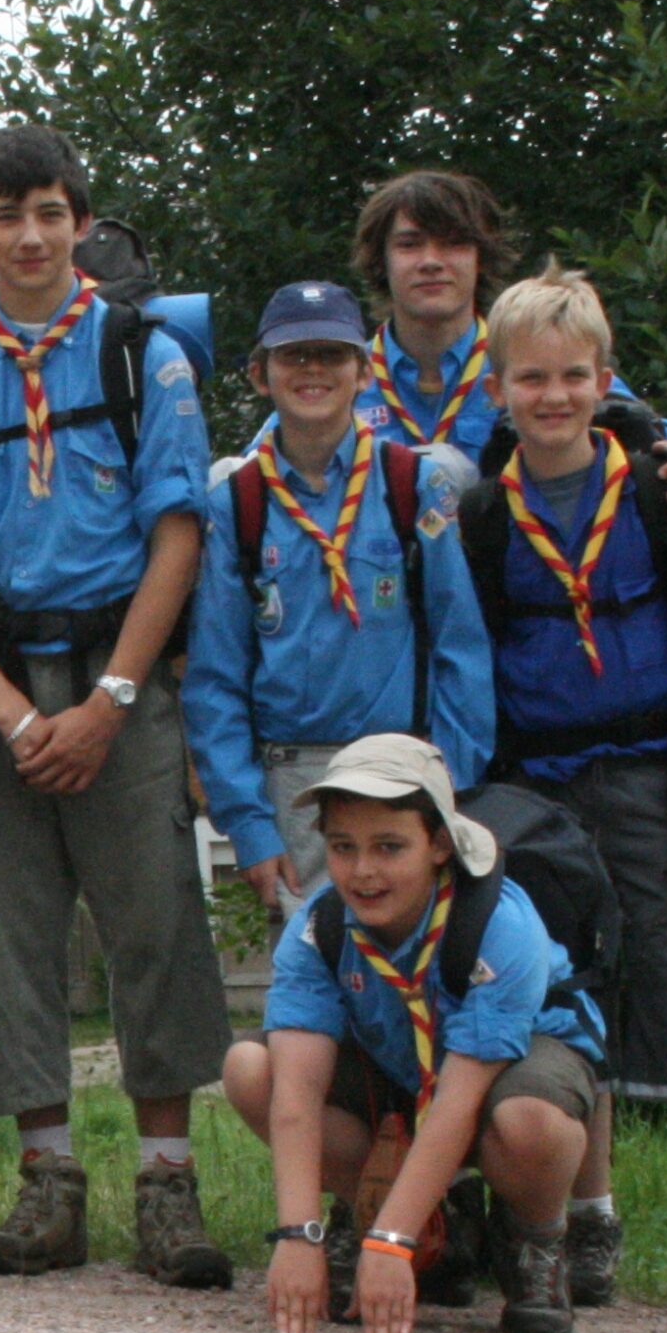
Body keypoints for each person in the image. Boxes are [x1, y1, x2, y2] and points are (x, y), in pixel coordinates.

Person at [0, 125, 234, 1288]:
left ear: (81, 220)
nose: (29, 236)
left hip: (117, 679)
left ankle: (167, 1186)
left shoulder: (146, 361)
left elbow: (177, 532)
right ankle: (46, 1185)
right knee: (9, 936)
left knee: (156, 925)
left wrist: (110, 702)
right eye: (4, 215)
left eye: (49, 210)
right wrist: (9, 717)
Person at [459, 264, 667, 1328]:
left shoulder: (657, 485)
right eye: (530, 378)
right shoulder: (483, 513)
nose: (552, 397)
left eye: (573, 377)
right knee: (569, 1000)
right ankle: (587, 1220)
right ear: (495, 385)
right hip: (538, 790)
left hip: (657, 772)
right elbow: (473, 658)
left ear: (604, 378)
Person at [222, 734, 602, 1333]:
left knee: (529, 1121)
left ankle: (535, 1240)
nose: (363, 870)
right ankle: (432, 1230)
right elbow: (295, 1094)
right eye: (343, 848)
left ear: (439, 844)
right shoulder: (318, 927)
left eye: (389, 847)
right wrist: (298, 1234)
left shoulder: (499, 924)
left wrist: (390, 1245)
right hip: (397, 1071)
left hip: (504, 1078)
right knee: (249, 1068)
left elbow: (458, 1101)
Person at [183, 281, 494, 914]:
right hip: (294, 781)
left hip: (404, 768)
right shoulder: (236, 504)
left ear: (363, 371)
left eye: (332, 353)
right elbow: (214, 680)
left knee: (419, 978)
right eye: (294, 355)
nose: (314, 370)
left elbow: (461, 647)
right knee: (314, 980)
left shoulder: (414, 485)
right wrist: (248, 823)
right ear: (259, 375)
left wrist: (452, 787)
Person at [348, 170, 667, 522]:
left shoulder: (531, 359)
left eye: (453, 243)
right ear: (380, 260)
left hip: (513, 582)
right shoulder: (343, 376)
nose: (431, 261)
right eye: (410, 244)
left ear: (481, 257)